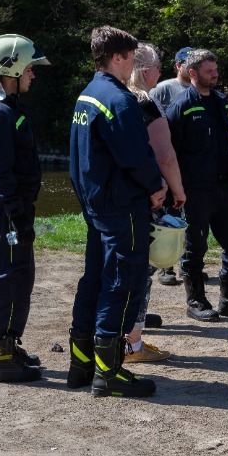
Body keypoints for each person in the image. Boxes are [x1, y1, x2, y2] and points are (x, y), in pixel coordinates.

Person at [68, 26, 166, 398]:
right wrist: (155, 186)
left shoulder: (86, 96)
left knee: (93, 278)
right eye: (130, 59)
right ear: (119, 57)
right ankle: (109, 373)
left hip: (95, 204)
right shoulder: (119, 100)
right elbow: (135, 156)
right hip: (121, 204)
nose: (132, 68)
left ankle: (81, 365)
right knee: (122, 282)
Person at [0, 34, 50, 383]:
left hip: (8, 210)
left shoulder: (5, 107)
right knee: (9, 280)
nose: (33, 74)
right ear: (10, 69)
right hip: (3, 212)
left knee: (21, 278)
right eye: (29, 68)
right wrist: (17, 213)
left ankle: (8, 344)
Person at [122, 43, 188, 364]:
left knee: (120, 267)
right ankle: (133, 342)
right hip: (150, 197)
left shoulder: (114, 99)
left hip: (118, 198)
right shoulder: (145, 103)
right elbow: (165, 155)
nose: (161, 72)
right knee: (143, 270)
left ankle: (119, 331)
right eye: (158, 66)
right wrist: (178, 191)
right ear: (145, 70)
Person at [165, 49, 228, 321]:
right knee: (195, 248)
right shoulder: (181, 106)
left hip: (224, 188)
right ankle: (195, 301)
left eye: (216, 70)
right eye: (209, 71)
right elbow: (169, 150)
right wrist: (175, 189)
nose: (215, 75)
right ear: (192, 73)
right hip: (195, 190)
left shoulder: (221, 101)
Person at [149, 46, 194, 286]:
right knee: (166, 214)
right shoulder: (164, 88)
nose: (191, 66)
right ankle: (166, 268)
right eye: (187, 62)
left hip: (184, 163)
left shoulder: (199, 90)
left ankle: (185, 263)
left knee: (183, 216)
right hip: (166, 159)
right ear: (178, 65)